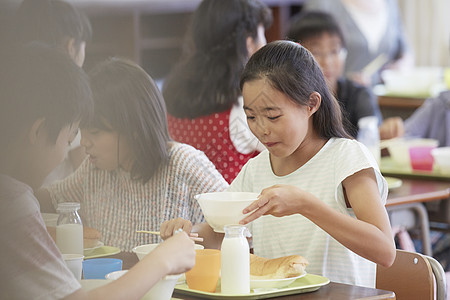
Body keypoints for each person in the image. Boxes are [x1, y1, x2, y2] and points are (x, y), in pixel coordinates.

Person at [161, 41, 396, 288]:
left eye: (273, 116)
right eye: (251, 117)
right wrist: (187, 234)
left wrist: (305, 204)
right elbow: (220, 232)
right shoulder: (256, 169)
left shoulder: (346, 158)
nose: (261, 129)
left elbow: (385, 251)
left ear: (311, 104)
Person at [0, 43, 195, 299]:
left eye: (89, 134)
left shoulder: (184, 162)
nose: (80, 144)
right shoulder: (14, 205)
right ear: (38, 131)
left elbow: (232, 217)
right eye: (71, 138)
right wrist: (163, 260)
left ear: (133, 129)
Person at [37, 57, 228, 252]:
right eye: (81, 131)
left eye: (95, 133)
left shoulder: (184, 163)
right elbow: (50, 199)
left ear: (134, 129)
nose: (84, 142)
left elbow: (239, 226)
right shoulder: (93, 170)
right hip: (113, 281)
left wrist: (190, 231)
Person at [162, 0, 272, 183]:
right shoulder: (245, 102)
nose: (265, 43)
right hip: (231, 207)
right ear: (248, 41)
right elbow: (286, 150)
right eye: (262, 34)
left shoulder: (172, 87)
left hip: (183, 206)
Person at [14, 0, 93, 185]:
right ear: (71, 45)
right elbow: (86, 173)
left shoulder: (14, 84)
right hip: (56, 204)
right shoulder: (71, 97)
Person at [287, 10, 382, 138]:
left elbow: (374, 134)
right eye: (316, 52)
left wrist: (385, 131)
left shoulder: (358, 93)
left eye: (334, 51)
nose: (327, 61)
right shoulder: (290, 99)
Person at [302, 0, 413, 87]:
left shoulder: (389, 3)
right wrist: (346, 82)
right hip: (340, 101)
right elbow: (305, 55)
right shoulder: (322, 4)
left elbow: (405, 52)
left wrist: (397, 71)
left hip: (385, 100)